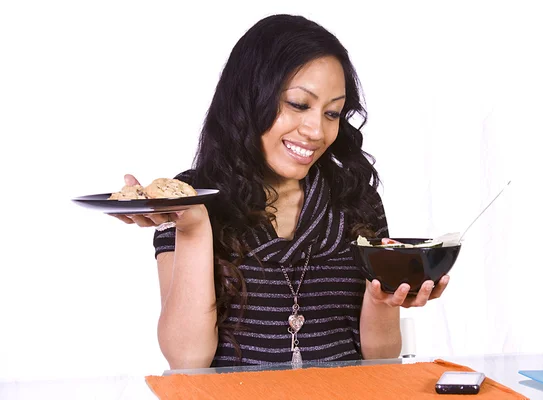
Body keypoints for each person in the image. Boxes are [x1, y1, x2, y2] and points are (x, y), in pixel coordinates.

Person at [112, 14, 449, 369]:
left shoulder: (357, 201)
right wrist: (193, 227)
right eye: (299, 104)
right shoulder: (189, 197)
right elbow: (187, 358)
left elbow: (380, 360)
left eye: (332, 113)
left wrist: (383, 300)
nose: (316, 130)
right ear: (249, 97)